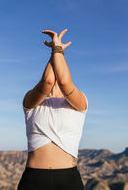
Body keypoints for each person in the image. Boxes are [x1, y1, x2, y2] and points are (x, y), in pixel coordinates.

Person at [17, 29, 88, 190]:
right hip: (34, 180)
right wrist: (54, 51)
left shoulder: (80, 103)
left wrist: (58, 49)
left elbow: (64, 82)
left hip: (68, 180)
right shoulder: (31, 103)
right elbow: (47, 81)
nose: (56, 74)